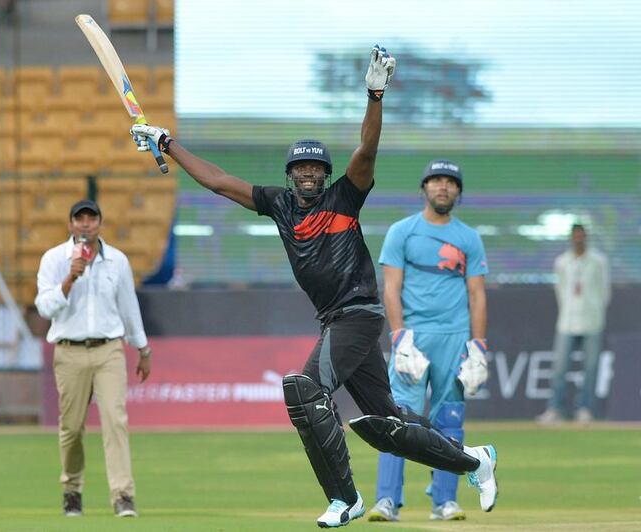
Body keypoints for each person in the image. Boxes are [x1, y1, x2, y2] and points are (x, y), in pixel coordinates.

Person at [129, 45, 497, 528]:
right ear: (290, 175)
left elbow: (366, 149)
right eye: (301, 169)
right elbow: (218, 181)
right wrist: (168, 143)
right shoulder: (280, 206)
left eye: (316, 169)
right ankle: (476, 460)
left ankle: (345, 498)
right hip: (337, 320)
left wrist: (375, 94)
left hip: (359, 313)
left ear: (325, 176)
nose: (308, 174)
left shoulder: (345, 197)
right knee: (386, 426)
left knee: (304, 391)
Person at [368, 160, 489, 522]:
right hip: (413, 340)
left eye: (450, 182)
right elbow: (391, 287)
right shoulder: (402, 232)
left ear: (458, 192)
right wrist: (400, 336)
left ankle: (445, 501)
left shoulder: (469, 238)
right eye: (436, 181)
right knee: (397, 422)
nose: (442, 187)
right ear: (424, 188)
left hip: (454, 339)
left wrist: (479, 348)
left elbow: (477, 295)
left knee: (450, 420)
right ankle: (387, 501)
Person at [35, 199, 152, 518]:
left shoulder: (117, 260)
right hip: (69, 350)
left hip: (108, 349)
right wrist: (70, 278)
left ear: (100, 223)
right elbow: (45, 308)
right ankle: (72, 490)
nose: (85, 224)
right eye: (79, 219)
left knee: (115, 420)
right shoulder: (54, 259)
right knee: (71, 428)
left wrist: (142, 348)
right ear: (70, 224)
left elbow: (129, 307)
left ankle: (123, 495)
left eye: (91, 219)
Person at [537, 223, 611, 424]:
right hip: (567, 321)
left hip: (592, 320)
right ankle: (555, 409)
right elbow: (560, 290)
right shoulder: (562, 262)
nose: (578, 239)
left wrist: (596, 309)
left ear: (586, 237)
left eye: (582, 236)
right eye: (575, 236)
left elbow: (605, 291)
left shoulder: (598, 261)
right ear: (571, 238)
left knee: (590, 368)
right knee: (560, 367)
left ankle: (585, 409)